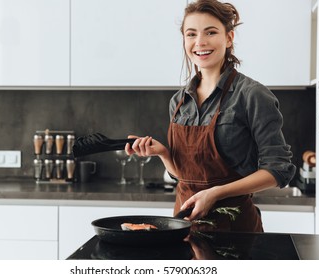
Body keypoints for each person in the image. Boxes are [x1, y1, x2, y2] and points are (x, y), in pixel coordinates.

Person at [125, 0, 296, 232]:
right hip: (183, 226)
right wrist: (163, 153)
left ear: (229, 38)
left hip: (235, 230)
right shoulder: (179, 101)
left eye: (211, 32)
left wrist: (216, 193)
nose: (200, 42)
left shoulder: (252, 95)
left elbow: (278, 170)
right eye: (191, 34)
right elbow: (185, 176)